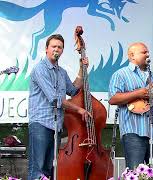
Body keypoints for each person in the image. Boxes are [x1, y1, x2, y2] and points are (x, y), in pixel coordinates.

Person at [28, 34, 91, 180]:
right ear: (46, 49)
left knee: (50, 170)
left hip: (56, 127)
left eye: (60, 47)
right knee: (38, 170)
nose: (57, 49)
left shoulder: (61, 72)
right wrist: (79, 110)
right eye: (53, 46)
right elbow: (55, 99)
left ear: (62, 50)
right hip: (41, 124)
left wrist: (82, 68)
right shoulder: (40, 69)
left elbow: (74, 90)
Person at [108, 42, 153, 171]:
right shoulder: (121, 74)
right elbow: (113, 98)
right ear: (132, 55)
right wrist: (138, 93)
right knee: (135, 172)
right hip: (133, 132)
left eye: (148, 52)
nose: (148, 55)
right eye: (144, 52)